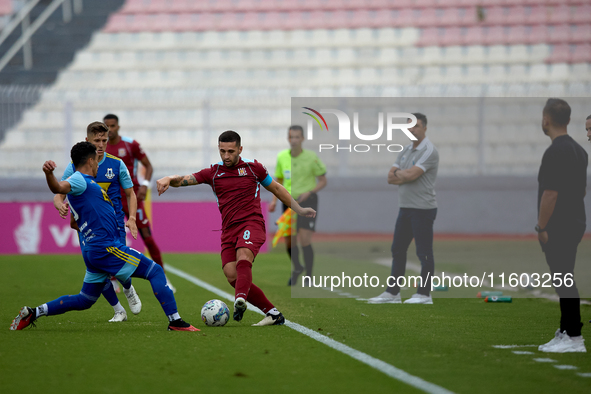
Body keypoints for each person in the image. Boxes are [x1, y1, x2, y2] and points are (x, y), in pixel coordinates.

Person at [10, 142, 197, 332]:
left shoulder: (87, 183)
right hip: (105, 247)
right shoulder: (79, 180)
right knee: (155, 271)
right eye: (97, 161)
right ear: (91, 161)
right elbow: (58, 187)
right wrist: (49, 174)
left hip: (94, 250)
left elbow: (77, 217)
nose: (99, 165)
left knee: (85, 300)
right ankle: (175, 321)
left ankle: (34, 312)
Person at [156, 130, 316, 326]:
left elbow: (276, 188)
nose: (226, 156)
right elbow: (183, 180)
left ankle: (240, 300)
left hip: (252, 224)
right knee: (232, 275)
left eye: (230, 151)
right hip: (228, 230)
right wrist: (168, 178)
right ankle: (273, 314)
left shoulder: (253, 168)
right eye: (222, 151)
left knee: (244, 257)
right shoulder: (213, 173)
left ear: (240, 149)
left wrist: (298, 209)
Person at [53, 121, 142, 322]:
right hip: (87, 228)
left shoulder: (116, 164)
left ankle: (128, 288)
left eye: (104, 140)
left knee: (117, 266)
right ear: (88, 141)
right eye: (97, 141)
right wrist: (59, 203)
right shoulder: (75, 167)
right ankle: (118, 310)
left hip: (114, 224)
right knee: (96, 269)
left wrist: (133, 218)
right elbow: (60, 191)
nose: (101, 144)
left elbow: (130, 193)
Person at [368, 113, 439, 305]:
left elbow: (411, 175)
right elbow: (390, 177)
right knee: (397, 249)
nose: (411, 130)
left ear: (424, 128)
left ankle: (424, 294)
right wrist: (403, 174)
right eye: (409, 126)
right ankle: (393, 293)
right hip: (405, 208)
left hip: (423, 208)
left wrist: (401, 173)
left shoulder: (429, 151)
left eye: (415, 126)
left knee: (423, 251)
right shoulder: (406, 150)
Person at [104, 114, 175, 293]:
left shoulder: (130, 144)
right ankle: (113, 279)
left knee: (148, 237)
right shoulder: (101, 148)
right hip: (111, 200)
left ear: (118, 126)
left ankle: (163, 277)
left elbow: (148, 166)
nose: (110, 129)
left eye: (113, 126)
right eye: (107, 126)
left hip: (132, 197)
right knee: (112, 238)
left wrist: (144, 185)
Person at [537, 99, 587, 353]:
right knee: (563, 277)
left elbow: (551, 194)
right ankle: (566, 331)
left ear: (547, 119)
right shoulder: (580, 151)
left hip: (560, 225)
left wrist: (541, 227)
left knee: (564, 278)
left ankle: (574, 336)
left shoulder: (555, 151)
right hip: (575, 221)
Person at [268, 125, 327, 286]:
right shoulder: (282, 157)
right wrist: (274, 201)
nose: (293, 140)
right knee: (290, 242)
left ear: (302, 139)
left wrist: (310, 191)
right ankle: (297, 267)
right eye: (291, 137)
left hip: (308, 201)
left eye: (297, 137)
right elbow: (278, 182)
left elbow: (323, 180)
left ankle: (309, 276)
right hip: (288, 202)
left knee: (305, 239)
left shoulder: (311, 157)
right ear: (288, 139)